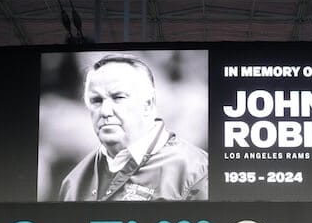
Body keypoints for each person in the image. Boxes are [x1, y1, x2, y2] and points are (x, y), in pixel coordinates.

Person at [59, 54, 208, 201]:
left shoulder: (196, 172)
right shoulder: (74, 182)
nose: (105, 111)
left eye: (118, 97)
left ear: (148, 104)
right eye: (96, 100)